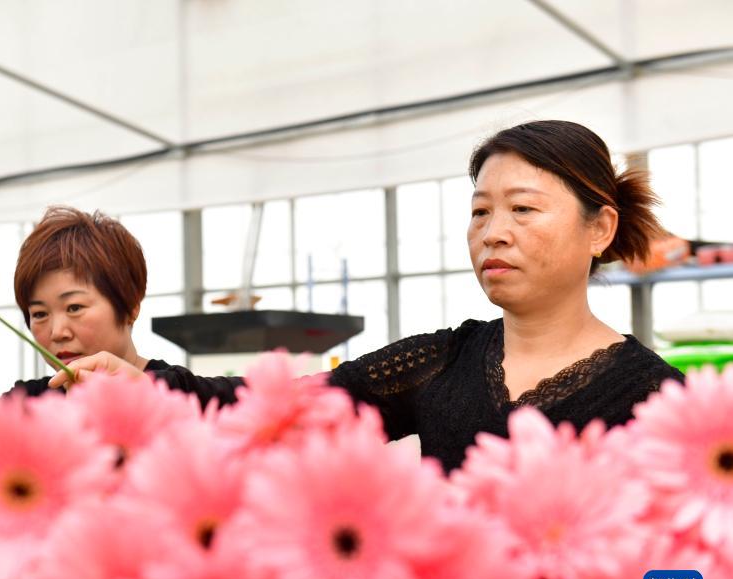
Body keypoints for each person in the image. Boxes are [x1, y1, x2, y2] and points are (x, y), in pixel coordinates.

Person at [55, 120, 684, 472]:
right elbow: (281, 409)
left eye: (523, 208)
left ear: (599, 228)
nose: (493, 232)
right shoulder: (443, 361)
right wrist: (146, 385)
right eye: (479, 212)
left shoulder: (660, 400)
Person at [0, 206, 239, 431]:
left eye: (74, 307)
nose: (57, 331)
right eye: (39, 314)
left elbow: (264, 398)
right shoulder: (28, 404)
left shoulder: (179, 391)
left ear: (130, 305)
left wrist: (140, 392)